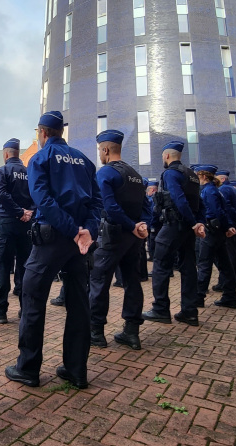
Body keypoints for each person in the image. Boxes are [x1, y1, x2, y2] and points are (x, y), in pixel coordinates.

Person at [5, 110, 102, 390]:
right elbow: (97, 203)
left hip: (52, 239)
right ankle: (76, 370)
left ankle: (28, 368)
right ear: (61, 132)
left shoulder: (40, 158)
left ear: (42, 133)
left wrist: (72, 231)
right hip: (80, 242)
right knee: (78, 303)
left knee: (33, 298)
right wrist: (87, 231)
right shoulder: (84, 160)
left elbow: (43, 201)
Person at [88, 130, 151, 350]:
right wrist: (142, 225)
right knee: (132, 281)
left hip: (113, 235)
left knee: (98, 281)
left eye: (99, 150)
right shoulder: (135, 175)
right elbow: (146, 206)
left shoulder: (105, 173)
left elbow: (110, 207)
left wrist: (132, 225)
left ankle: (96, 332)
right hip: (134, 238)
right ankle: (131, 332)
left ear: (105, 149)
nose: (100, 154)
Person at [142, 142, 206, 325]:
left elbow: (179, 199)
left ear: (168, 156)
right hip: (187, 227)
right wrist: (198, 222)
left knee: (160, 264)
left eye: (163, 156)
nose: (163, 159)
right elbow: (200, 202)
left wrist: (194, 223)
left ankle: (160, 309)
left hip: (174, 225)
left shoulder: (171, 173)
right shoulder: (192, 175)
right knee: (188, 267)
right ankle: (190, 312)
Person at [0, 138, 35, 324]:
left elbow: (1, 194)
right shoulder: (29, 172)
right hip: (26, 224)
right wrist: (27, 213)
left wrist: (17, 211)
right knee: (24, 266)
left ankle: (0, 310)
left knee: (3, 266)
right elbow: (37, 194)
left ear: (6, 154)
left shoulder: (3, 170)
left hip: (7, 222)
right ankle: (24, 309)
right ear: (18, 152)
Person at [193, 165, 236, 309]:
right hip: (217, 231)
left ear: (204, 177)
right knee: (225, 265)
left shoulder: (209, 191)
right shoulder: (215, 190)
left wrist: (226, 227)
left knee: (204, 265)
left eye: (197, 175)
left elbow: (217, 211)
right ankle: (230, 297)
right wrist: (228, 226)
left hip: (211, 231)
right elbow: (225, 210)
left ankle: (199, 297)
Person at [212, 170, 236, 287]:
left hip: (229, 222)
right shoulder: (232, 189)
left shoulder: (224, 189)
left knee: (228, 253)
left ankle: (228, 281)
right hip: (234, 222)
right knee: (234, 251)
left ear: (222, 179)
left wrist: (233, 220)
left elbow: (227, 206)